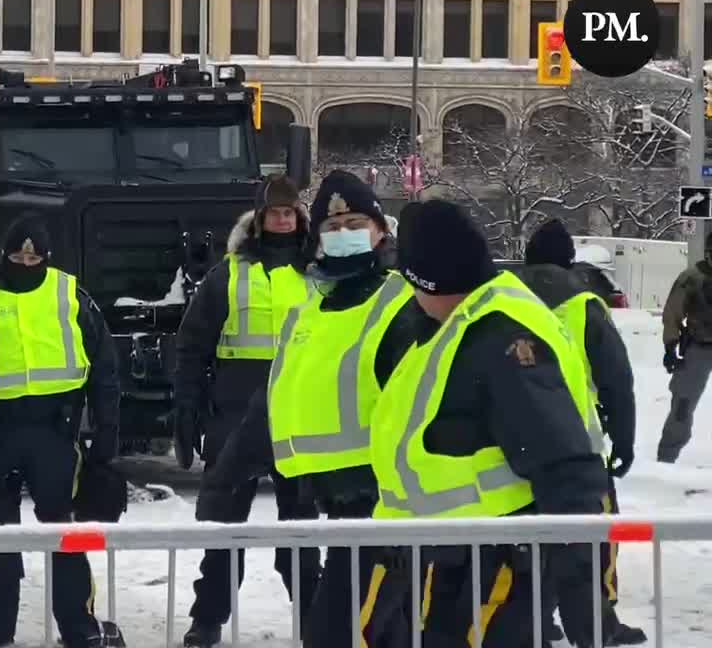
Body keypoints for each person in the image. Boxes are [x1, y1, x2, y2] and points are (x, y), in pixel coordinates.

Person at [372, 200, 610, 648]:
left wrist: (583, 599)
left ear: (427, 279)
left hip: (498, 559)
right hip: (454, 558)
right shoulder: (453, 324)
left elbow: (566, 467)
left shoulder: (500, 334)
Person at [261, 171, 422, 647]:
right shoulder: (312, 309)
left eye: (355, 222)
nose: (342, 234)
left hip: (387, 507)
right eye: (331, 228)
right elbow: (282, 395)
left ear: (380, 232)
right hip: (337, 502)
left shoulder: (403, 302)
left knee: (336, 634)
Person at [0, 213, 125, 648]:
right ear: (4, 254)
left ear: (47, 257)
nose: (26, 261)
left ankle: (79, 629)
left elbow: (104, 366)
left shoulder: (68, 293)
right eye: (18, 254)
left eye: (34, 256)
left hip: (55, 432)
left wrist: (107, 429)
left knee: (64, 536)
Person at [172, 174, 321, 648]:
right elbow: (193, 348)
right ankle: (208, 619)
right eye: (275, 211)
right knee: (225, 531)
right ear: (259, 219)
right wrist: (186, 412)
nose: (283, 218)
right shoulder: (227, 275)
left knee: (300, 533)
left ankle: (317, 622)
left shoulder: (320, 274)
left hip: (301, 419)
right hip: (235, 421)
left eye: (290, 211)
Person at [520, 218, 646, 646]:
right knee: (593, 537)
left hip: (511, 445)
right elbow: (615, 380)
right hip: (578, 445)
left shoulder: (501, 298)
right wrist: (624, 440)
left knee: (526, 538)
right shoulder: (583, 304)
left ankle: (534, 618)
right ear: (569, 259)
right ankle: (600, 623)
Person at [659, 235, 712, 462]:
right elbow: (672, 313)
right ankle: (666, 459)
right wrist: (670, 346)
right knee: (683, 404)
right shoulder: (692, 278)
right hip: (699, 348)